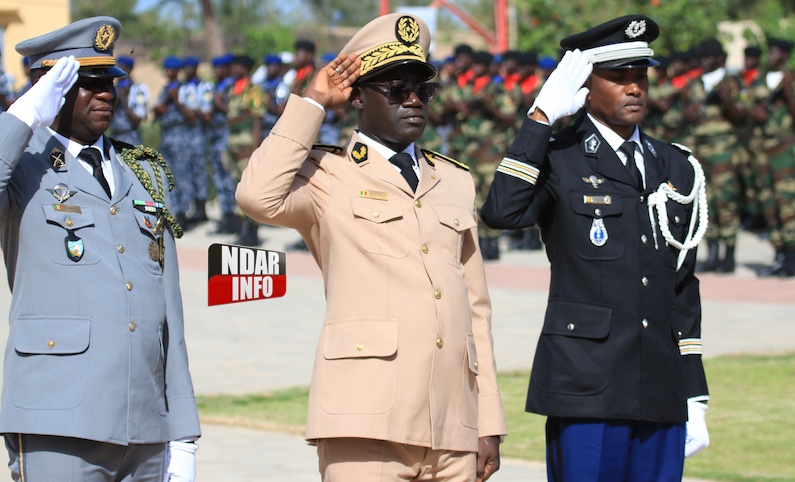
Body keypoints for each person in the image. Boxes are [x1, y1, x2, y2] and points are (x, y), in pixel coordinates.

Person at [236, 13, 506, 481]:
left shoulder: (455, 181)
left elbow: (475, 309)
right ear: (357, 95)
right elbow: (256, 197)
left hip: (452, 425)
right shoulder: (327, 174)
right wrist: (314, 101)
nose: (415, 101)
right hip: (365, 418)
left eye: (424, 90)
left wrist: (488, 420)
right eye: (397, 90)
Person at [480, 15, 710, 481]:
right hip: (587, 385)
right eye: (618, 77)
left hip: (661, 387)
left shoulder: (675, 165)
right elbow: (501, 212)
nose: (634, 88)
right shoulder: (560, 156)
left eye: (640, 76)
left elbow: (682, 286)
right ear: (585, 84)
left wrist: (694, 392)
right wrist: (541, 119)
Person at [0, 16, 200, 481]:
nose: (106, 93)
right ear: (46, 87)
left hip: (146, 423)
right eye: (87, 83)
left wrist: (183, 433)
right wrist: (22, 117)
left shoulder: (143, 172)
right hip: (58, 418)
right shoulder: (24, 166)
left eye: (110, 82)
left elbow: (169, 311)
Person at [109, 55, 150, 146]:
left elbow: (137, 120)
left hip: (131, 138)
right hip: (113, 137)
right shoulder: (113, 89)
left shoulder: (138, 90)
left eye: (123, 67)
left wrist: (123, 99)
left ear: (130, 69)